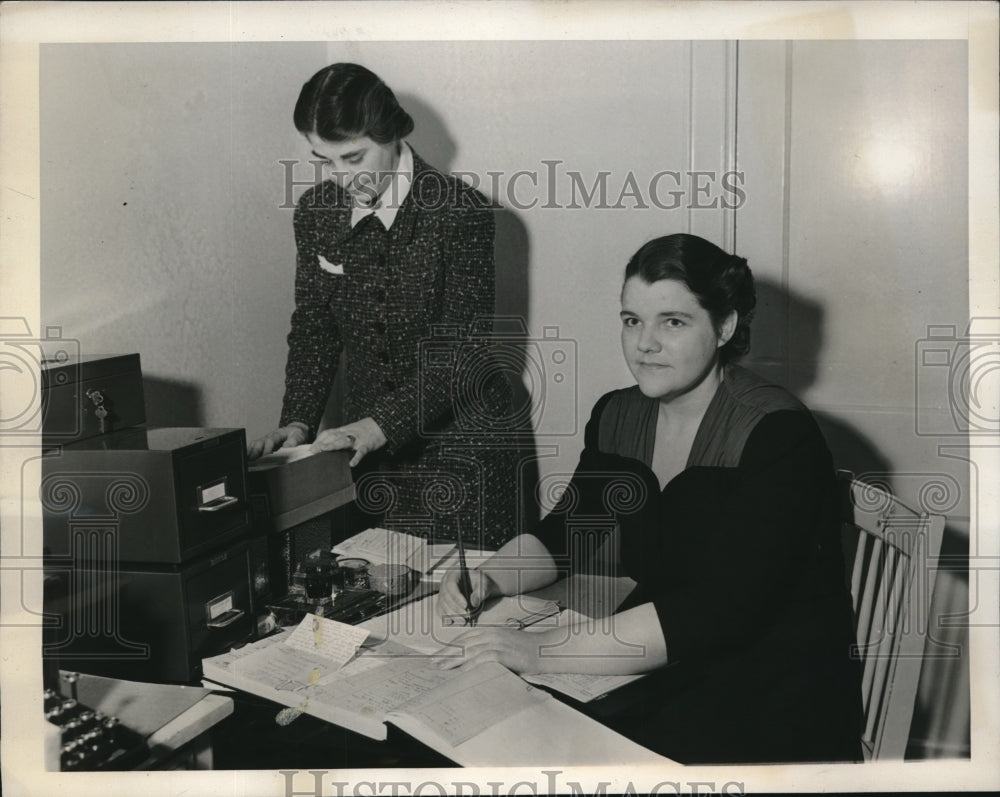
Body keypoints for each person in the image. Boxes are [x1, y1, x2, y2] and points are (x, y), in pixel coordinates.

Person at [437, 233, 863, 764]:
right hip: (664, 664)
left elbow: (717, 611)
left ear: (725, 326)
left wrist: (538, 650)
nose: (644, 344)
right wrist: (490, 577)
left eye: (674, 322)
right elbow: (567, 532)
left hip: (771, 693)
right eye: (632, 320)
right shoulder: (619, 415)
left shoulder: (776, 433)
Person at [249, 63, 528, 548]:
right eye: (324, 160)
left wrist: (381, 426)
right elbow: (314, 327)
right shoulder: (316, 213)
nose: (340, 178)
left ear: (392, 134)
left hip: (463, 448)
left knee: (466, 610)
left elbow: (464, 349)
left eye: (353, 158)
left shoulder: (460, 212)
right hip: (370, 462)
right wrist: (297, 422)